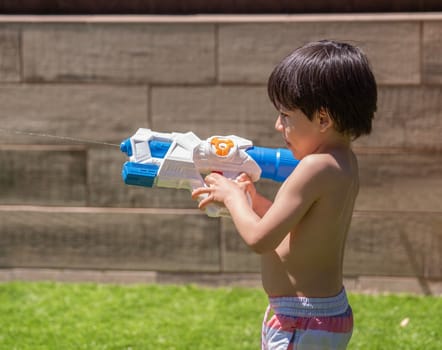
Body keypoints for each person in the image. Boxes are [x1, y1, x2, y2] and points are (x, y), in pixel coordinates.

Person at [192, 40, 377, 349]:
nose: (278, 125)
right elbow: (292, 232)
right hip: (322, 315)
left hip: (300, 320)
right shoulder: (344, 162)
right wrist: (252, 200)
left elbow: (260, 240)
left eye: (285, 115)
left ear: (322, 119)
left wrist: (233, 198)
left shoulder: (313, 168)